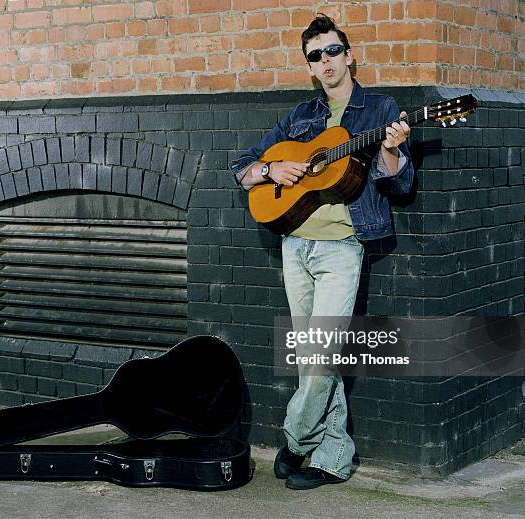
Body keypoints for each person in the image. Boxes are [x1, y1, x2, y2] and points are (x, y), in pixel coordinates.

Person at [228, 15, 414, 490]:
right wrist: (272, 170)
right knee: (310, 354)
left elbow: (401, 182)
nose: (326, 62)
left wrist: (392, 151)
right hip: (295, 244)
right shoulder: (300, 117)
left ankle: (294, 438)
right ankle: (331, 455)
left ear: (349, 55)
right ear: (310, 67)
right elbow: (241, 166)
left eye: (333, 51)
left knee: (323, 353)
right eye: (315, 56)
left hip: (342, 247)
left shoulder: (380, 110)